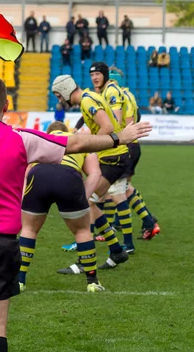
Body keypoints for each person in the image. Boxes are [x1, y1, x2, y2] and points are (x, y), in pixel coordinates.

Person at [0, 54, 151, 352]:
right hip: (1, 243)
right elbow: (75, 144)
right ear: (6, 107)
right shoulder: (22, 139)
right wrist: (119, 137)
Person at [52, 72, 135, 263]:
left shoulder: (87, 101)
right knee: (87, 202)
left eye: (59, 96)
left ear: (65, 90)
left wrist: (87, 147)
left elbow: (106, 127)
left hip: (113, 157)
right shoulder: (89, 98)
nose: (60, 100)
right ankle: (116, 250)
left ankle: (89, 259)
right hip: (113, 156)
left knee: (84, 203)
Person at [18, 121, 103, 292]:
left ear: (50, 131)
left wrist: (22, 200)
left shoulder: (42, 137)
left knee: (29, 229)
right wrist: (83, 197)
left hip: (39, 174)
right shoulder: (77, 138)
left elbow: (25, 174)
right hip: (69, 175)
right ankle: (92, 282)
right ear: (66, 131)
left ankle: (19, 281)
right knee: (82, 231)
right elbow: (96, 173)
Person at [110, 71, 161, 240]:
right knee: (124, 187)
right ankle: (142, 221)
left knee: (119, 188)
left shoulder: (117, 95)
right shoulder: (129, 94)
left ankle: (147, 222)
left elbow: (128, 122)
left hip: (126, 144)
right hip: (133, 145)